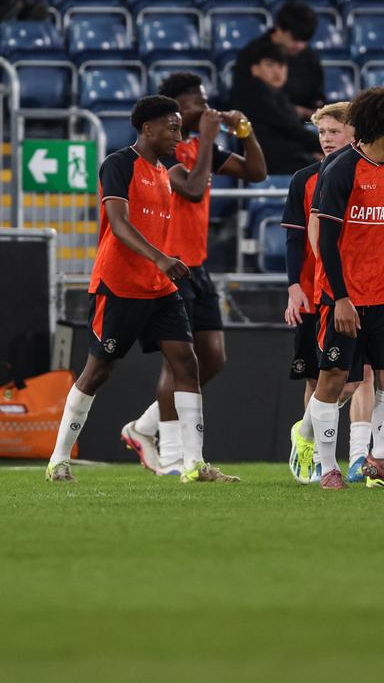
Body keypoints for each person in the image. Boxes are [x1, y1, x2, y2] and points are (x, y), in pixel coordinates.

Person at [46, 95, 238, 485]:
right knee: (98, 371)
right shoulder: (118, 164)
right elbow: (118, 224)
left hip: (159, 288)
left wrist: (161, 266)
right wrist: (161, 258)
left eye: (180, 128)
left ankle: (194, 464)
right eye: (172, 128)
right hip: (119, 285)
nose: (178, 136)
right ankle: (58, 460)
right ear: (148, 128)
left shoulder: (165, 173)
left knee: (187, 363)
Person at [119, 73, 266, 475]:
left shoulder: (200, 146)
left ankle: (142, 428)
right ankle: (173, 457)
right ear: (176, 108)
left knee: (212, 358)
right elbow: (194, 188)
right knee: (178, 363)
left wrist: (245, 131)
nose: (205, 107)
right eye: (197, 102)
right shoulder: (161, 152)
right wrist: (206, 137)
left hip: (196, 267)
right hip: (168, 267)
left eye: (205, 101)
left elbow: (256, 172)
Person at [308, 84, 384, 490]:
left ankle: (380, 457)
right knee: (334, 380)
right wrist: (340, 297)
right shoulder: (341, 168)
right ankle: (328, 468)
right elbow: (326, 241)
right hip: (344, 295)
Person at [282, 101, 383, 484]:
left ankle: (357, 457)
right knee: (320, 378)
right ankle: (308, 440)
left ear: (354, 133)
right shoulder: (304, 179)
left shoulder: (371, 174)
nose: (326, 138)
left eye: (334, 131)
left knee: (364, 375)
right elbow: (295, 238)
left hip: (365, 290)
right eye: (321, 132)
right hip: (317, 291)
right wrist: (294, 286)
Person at [230, 42, 320, 174]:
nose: (277, 72)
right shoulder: (255, 91)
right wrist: (320, 147)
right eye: (269, 65)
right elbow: (290, 127)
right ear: (255, 69)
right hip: (270, 161)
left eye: (282, 66)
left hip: (284, 157)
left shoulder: (274, 94)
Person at [234, 1, 325, 117]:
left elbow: (317, 94)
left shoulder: (310, 57)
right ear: (279, 28)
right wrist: (290, 110)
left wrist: (317, 106)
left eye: (305, 40)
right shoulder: (253, 54)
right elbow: (244, 100)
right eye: (295, 39)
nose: (299, 46)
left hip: (304, 121)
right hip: (264, 122)